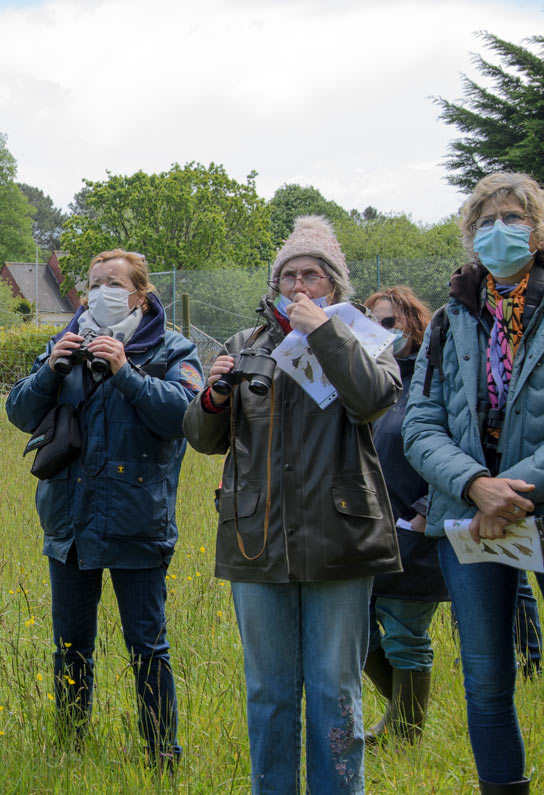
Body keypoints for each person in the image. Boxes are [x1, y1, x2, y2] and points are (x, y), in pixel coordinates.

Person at [183, 216, 401, 794]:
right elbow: (204, 440)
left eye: (312, 274)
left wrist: (325, 335)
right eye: (289, 275)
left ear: (335, 283)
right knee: (269, 689)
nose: (299, 285)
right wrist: (212, 396)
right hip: (257, 536)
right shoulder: (245, 346)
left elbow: (374, 400)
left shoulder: (365, 337)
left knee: (336, 689)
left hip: (340, 536)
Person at [5, 249, 202, 765]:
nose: (99, 292)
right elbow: (19, 412)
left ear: (140, 294)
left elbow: (184, 416)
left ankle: (162, 754)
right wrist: (50, 369)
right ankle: (70, 746)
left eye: (112, 283)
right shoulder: (63, 343)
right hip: (70, 520)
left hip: (138, 521)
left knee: (147, 646)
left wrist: (125, 371)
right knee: (71, 645)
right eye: (93, 283)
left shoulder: (171, 348)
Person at [403, 171, 544, 794]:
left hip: (525, 505)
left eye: (512, 218)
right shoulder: (448, 319)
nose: (498, 231)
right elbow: (420, 425)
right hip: (470, 514)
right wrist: (476, 486)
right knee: (486, 681)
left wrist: (505, 492)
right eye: (485, 222)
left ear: (537, 231)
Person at [361, 286, 448, 745]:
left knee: (405, 635)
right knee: (358, 635)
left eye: (390, 323)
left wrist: (425, 513)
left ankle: (406, 736)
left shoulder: (434, 381)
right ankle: (400, 715)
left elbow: (453, 446)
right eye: (372, 323)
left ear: (415, 326)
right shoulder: (364, 382)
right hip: (364, 533)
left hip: (414, 531)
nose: (381, 332)